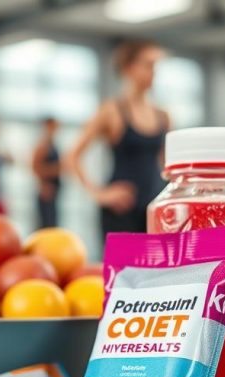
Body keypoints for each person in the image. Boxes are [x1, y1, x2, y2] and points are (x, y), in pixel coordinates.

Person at [67, 39, 170, 238]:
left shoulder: (163, 115)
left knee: (159, 269)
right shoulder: (111, 111)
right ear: (128, 68)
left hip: (153, 208)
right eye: (148, 65)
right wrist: (99, 194)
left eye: (156, 66)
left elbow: (167, 165)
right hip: (121, 211)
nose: (154, 72)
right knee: (123, 270)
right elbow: (72, 156)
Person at [31, 117, 61, 228]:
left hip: (53, 193)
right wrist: (43, 185)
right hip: (46, 193)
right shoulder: (43, 145)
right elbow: (35, 167)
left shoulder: (51, 144)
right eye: (53, 126)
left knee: (52, 226)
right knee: (46, 228)